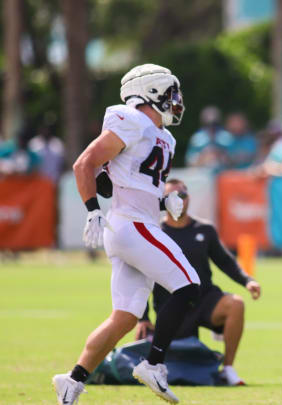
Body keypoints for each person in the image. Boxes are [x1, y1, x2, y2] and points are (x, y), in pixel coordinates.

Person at [53, 64, 199, 404]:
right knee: (188, 284)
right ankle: (154, 363)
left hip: (136, 223)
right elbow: (85, 163)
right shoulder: (131, 118)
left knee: (125, 317)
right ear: (151, 91)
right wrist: (92, 210)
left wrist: (166, 201)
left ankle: (71, 383)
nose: (177, 101)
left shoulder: (163, 135)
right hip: (131, 225)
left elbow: (132, 181)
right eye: (171, 93)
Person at [136, 178, 262, 386]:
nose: (179, 201)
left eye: (182, 195)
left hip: (204, 300)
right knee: (145, 348)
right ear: (162, 201)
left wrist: (247, 281)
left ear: (189, 198)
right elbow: (141, 276)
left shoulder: (205, 229)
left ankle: (228, 369)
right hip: (170, 306)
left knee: (236, 304)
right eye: (171, 197)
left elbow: (224, 261)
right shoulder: (154, 232)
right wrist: (143, 317)